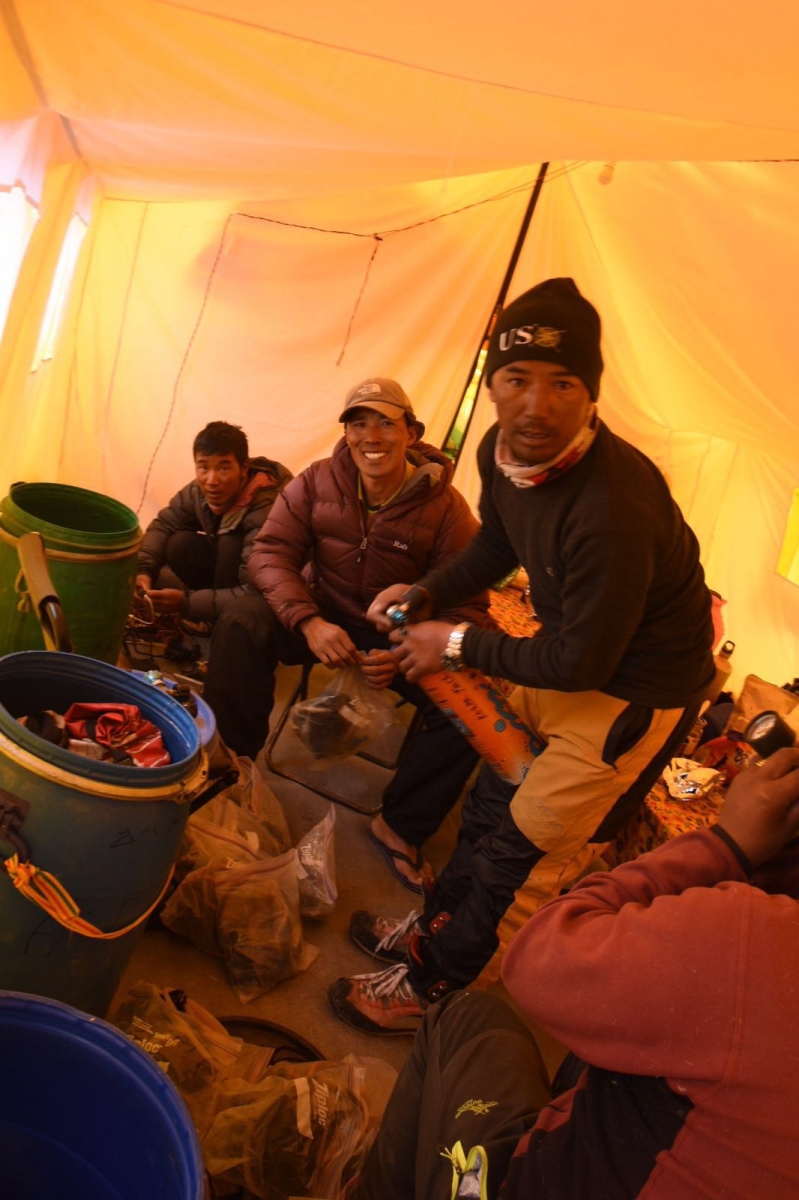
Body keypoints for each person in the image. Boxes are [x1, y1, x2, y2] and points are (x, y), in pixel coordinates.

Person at [329, 277, 716, 1032]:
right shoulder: (499, 450)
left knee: (523, 856)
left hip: (627, 693)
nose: (536, 404)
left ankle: (441, 995)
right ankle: (430, 935)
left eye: (561, 382)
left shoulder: (612, 505)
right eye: (517, 379)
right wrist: (426, 596)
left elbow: (581, 666)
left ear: (590, 393)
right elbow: (498, 544)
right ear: (493, 381)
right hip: (569, 655)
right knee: (486, 806)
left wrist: (458, 641)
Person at [349, 746, 799, 1200]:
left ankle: (431, 985)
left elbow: (540, 962)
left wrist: (725, 845)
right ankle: (431, 936)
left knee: (464, 1010)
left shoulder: (764, 935)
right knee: (491, 841)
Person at [224, 378, 489, 890]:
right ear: (346, 434)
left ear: (411, 433)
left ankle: (400, 826)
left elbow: (469, 607)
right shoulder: (317, 481)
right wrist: (308, 620)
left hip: (398, 638)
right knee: (241, 622)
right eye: (358, 422)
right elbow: (269, 552)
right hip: (323, 617)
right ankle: (234, 768)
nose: (372, 435)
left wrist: (410, 650)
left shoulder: (448, 509)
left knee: (472, 700)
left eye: (386, 422)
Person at [136, 420, 292, 624]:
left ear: (243, 468)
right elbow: (164, 524)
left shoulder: (267, 509)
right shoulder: (198, 492)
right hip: (230, 579)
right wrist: (143, 571)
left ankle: (222, 622)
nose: (211, 480)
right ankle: (211, 613)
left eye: (223, 468)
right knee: (180, 544)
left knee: (229, 542)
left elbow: (257, 589)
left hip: (271, 594)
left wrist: (188, 604)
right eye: (203, 467)